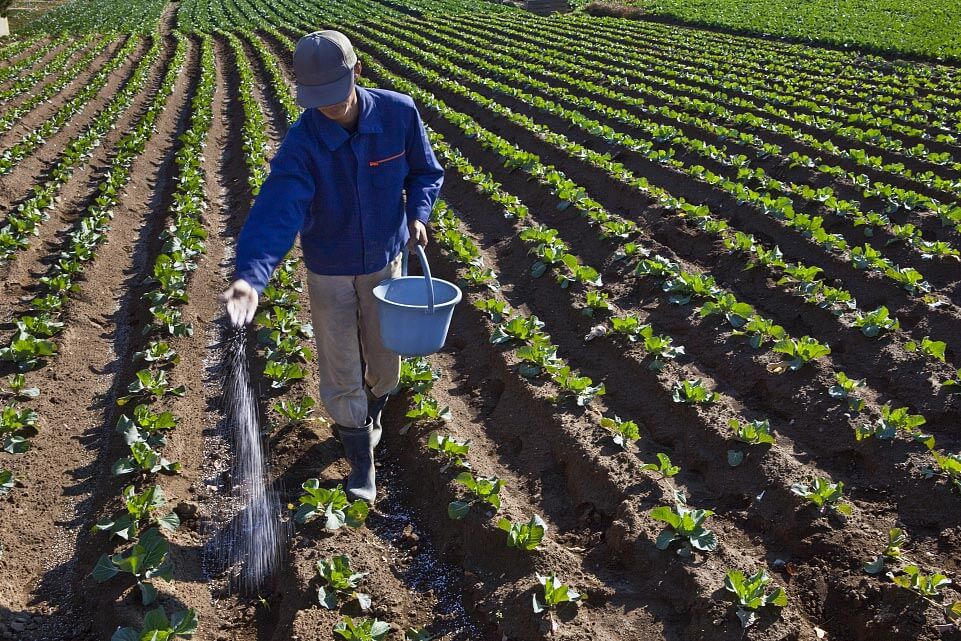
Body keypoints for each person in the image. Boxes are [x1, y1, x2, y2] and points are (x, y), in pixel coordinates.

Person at [220, 30, 444, 503]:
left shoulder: (398, 113)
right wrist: (250, 277)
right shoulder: (304, 142)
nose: (328, 107)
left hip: (385, 261)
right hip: (330, 270)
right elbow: (277, 210)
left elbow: (426, 172)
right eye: (316, 99)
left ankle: (376, 408)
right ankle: (361, 458)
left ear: (357, 72)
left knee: (385, 361)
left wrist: (417, 215)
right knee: (341, 365)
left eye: (335, 95)